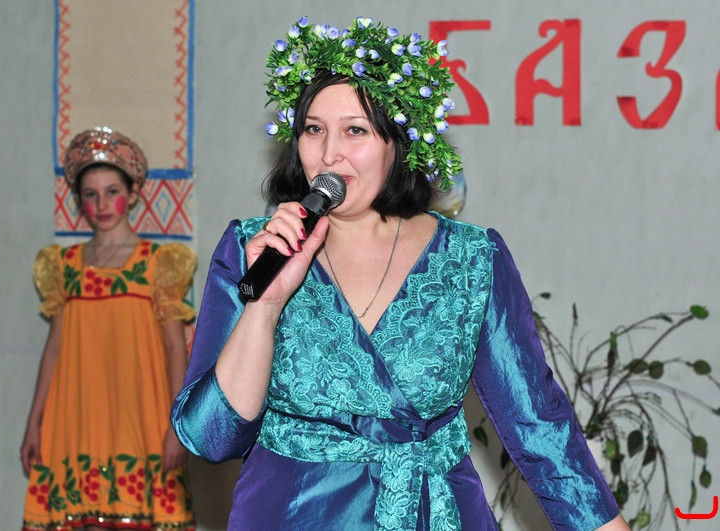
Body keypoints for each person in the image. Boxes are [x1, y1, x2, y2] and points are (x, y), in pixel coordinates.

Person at [171, 17, 630, 531]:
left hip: (435, 513)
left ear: (398, 142)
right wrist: (265, 308)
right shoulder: (253, 250)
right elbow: (211, 438)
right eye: (313, 129)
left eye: (355, 131)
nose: (329, 154)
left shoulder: (471, 259)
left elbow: (538, 425)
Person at [20, 127, 197, 531]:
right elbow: (53, 348)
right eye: (91, 194)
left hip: (140, 415)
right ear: (79, 200)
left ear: (133, 194)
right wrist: (34, 422)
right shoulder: (63, 266)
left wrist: (177, 426)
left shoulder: (158, 263)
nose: (101, 204)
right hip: (76, 416)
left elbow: (175, 349)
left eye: (112, 191)